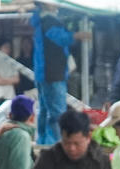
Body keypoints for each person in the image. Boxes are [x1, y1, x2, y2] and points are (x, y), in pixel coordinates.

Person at [32, 4, 88, 145]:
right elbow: (59, 37)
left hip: (43, 72)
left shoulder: (39, 19)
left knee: (45, 110)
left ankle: (43, 142)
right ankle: (55, 143)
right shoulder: (48, 21)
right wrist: (77, 35)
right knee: (57, 112)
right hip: (52, 72)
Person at [0, 39, 22, 108]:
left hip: (11, 96)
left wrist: (2, 79)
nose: (8, 49)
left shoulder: (12, 62)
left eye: (9, 47)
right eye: (6, 47)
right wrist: (10, 80)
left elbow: (17, 80)